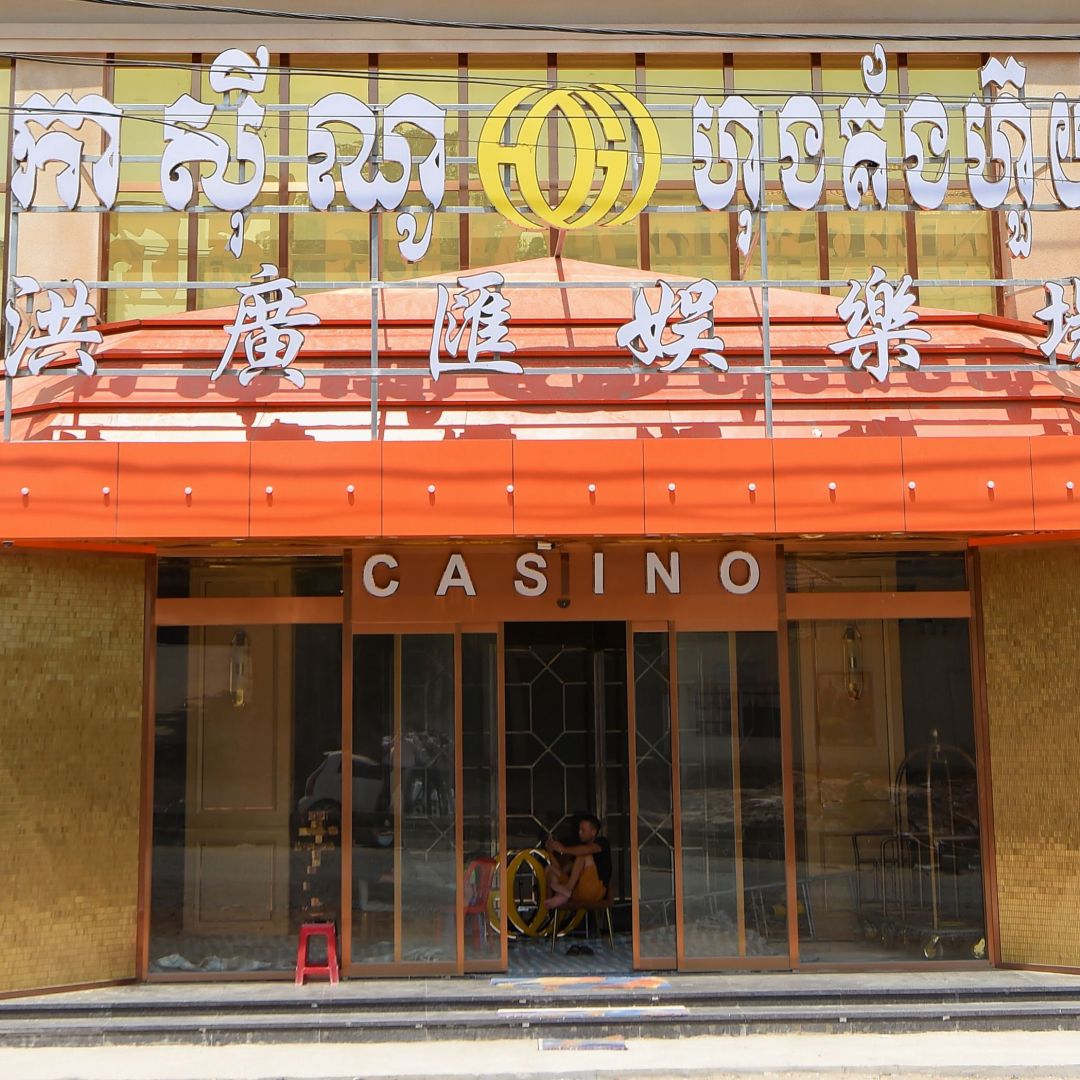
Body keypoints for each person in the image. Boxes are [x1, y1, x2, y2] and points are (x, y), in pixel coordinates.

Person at [542, 814, 611, 909]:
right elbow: (562, 871)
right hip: (577, 892)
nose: (579, 832)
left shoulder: (601, 843)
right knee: (550, 869)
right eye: (579, 829)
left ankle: (566, 890)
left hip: (595, 891)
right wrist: (550, 852)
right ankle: (551, 905)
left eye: (583, 830)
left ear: (593, 832)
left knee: (584, 855)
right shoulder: (578, 851)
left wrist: (563, 849)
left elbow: (585, 850)